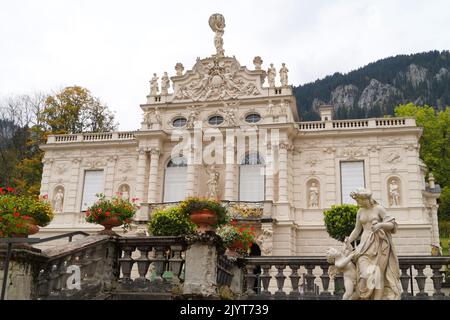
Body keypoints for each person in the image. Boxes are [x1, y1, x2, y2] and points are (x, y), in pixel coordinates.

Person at [344, 188, 402, 300]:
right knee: (366, 274)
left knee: (378, 275)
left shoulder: (379, 209)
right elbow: (357, 230)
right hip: (364, 247)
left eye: (359, 200)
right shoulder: (360, 211)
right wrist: (348, 240)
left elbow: (392, 225)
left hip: (380, 246)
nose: (357, 203)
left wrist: (380, 225)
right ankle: (367, 296)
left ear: (366, 199)